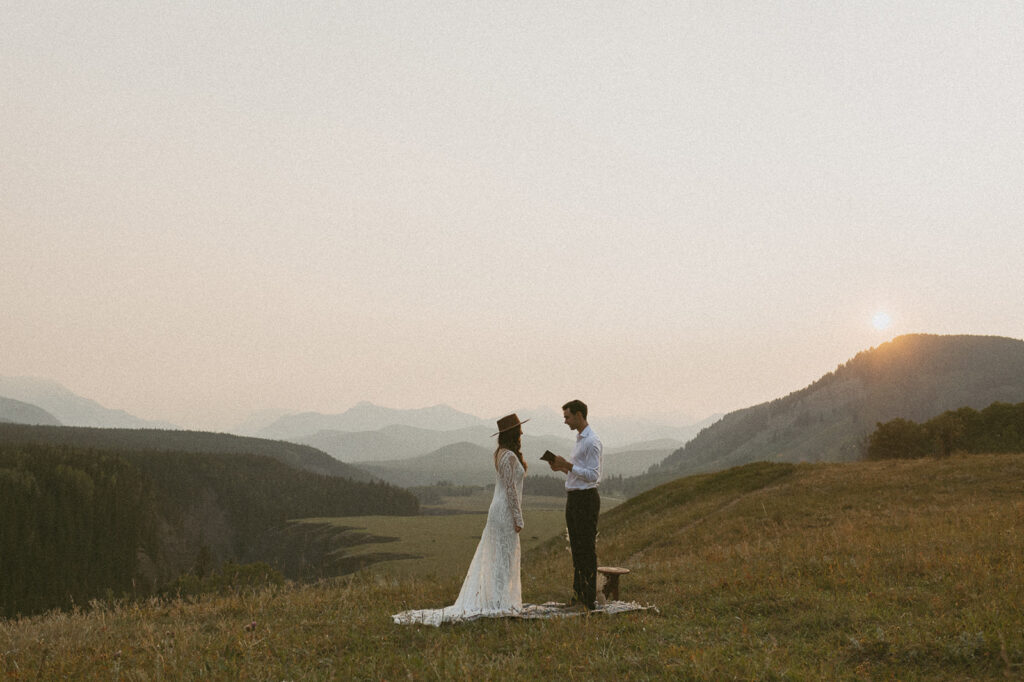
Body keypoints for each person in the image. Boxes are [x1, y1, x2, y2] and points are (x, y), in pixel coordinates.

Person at [392, 413, 528, 626]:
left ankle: (498, 599)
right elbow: (510, 489)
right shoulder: (509, 456)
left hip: (499, 510)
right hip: (505, 512)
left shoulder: (500, 453)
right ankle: (499, 602)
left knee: (500, 555)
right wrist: (518, 518)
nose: (522, 432)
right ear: (513, 432)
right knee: (503, 555)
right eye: (519, 429)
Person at [546, 399, 602, 610]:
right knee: (577, 549)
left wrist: (567, 465)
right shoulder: (580, 440)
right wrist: (562, 467)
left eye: (567, 417)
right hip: (575, 498)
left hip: (586, 499)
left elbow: (593, 475)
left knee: (586, 548)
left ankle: (588, 600)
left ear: (579, 415)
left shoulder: (592, 441)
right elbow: (579, 472)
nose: (565, 421)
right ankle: (579, 595)